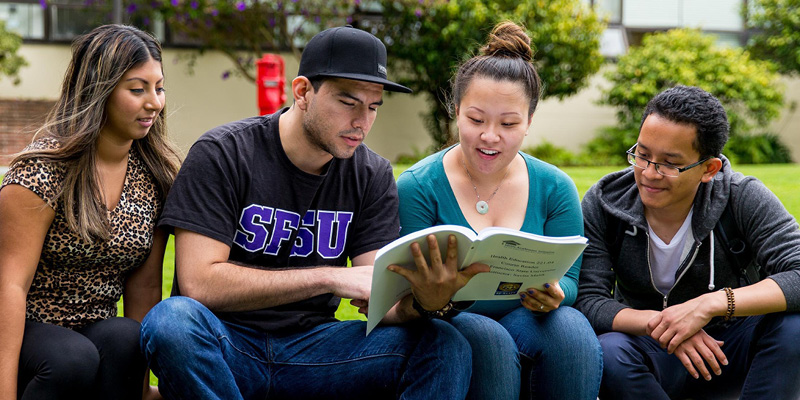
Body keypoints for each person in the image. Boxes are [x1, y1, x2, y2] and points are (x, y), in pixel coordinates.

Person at [139, 25, 473, 399]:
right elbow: (199, 284)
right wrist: (330, 278)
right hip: (225, 345)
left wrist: (428, 301)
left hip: (316, 352)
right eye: (348, 103)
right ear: (302, 92)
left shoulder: (371, 175)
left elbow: (382, 300)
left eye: (374, 106)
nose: (362, 121)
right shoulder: (223, 153)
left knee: (443, 344)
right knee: (171, 322)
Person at [392, 22, 602, 400]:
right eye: (476, 120)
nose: (490, 136)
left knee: (570, 328)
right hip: (446, 320)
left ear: (529, 123)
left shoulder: (555, 186)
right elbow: (403, 291)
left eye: (508, 123)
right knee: (486, 339)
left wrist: (556, 293)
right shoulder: (418, 186)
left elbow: (571, 279)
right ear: (456, 112)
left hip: (526, 315)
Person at [574, 85, 800, 399]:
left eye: (670, 163)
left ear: (709, 169)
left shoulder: (742, 196)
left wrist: (708, 305)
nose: (649, 173)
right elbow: (588, 298)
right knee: (609, 350)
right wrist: (668, 325)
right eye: (642, 154)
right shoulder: (605, 201)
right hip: (651, 348)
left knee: (795, 327)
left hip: (729, 346)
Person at [0, 24, 180, 399]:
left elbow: (145, 286)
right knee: (71, 358)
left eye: (158, 87)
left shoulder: (156, 177)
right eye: (137, 89)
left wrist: (142, 387)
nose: (155, 102)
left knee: (129, 337)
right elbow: (8, 287)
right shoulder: (41, 171)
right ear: (99, 90)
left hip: (92, 329)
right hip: (28, 329)